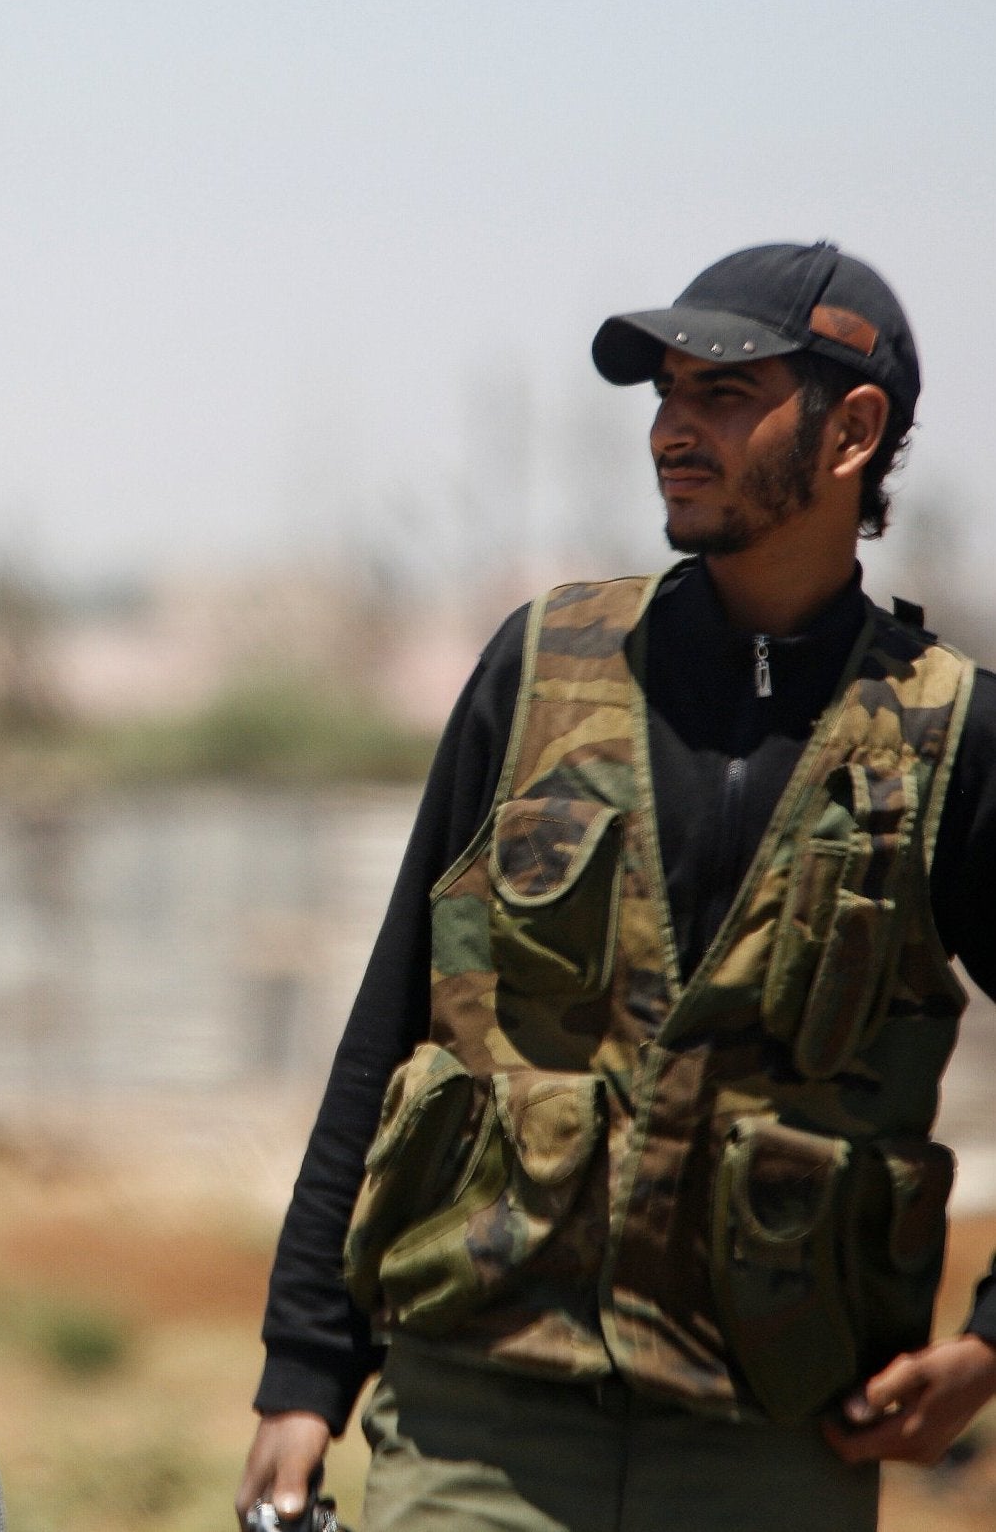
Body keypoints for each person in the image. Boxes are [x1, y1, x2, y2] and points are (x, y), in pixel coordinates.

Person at [234, 242, 996, 1532]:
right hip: (478, 1411)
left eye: (722, 395)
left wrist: (988, 1342)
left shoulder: (949, 739)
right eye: (665, 395)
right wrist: (304, 1368)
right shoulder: (538, 668)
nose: (671, 432)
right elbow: (387, 1023)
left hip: (768, 1435)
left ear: (851, 429)